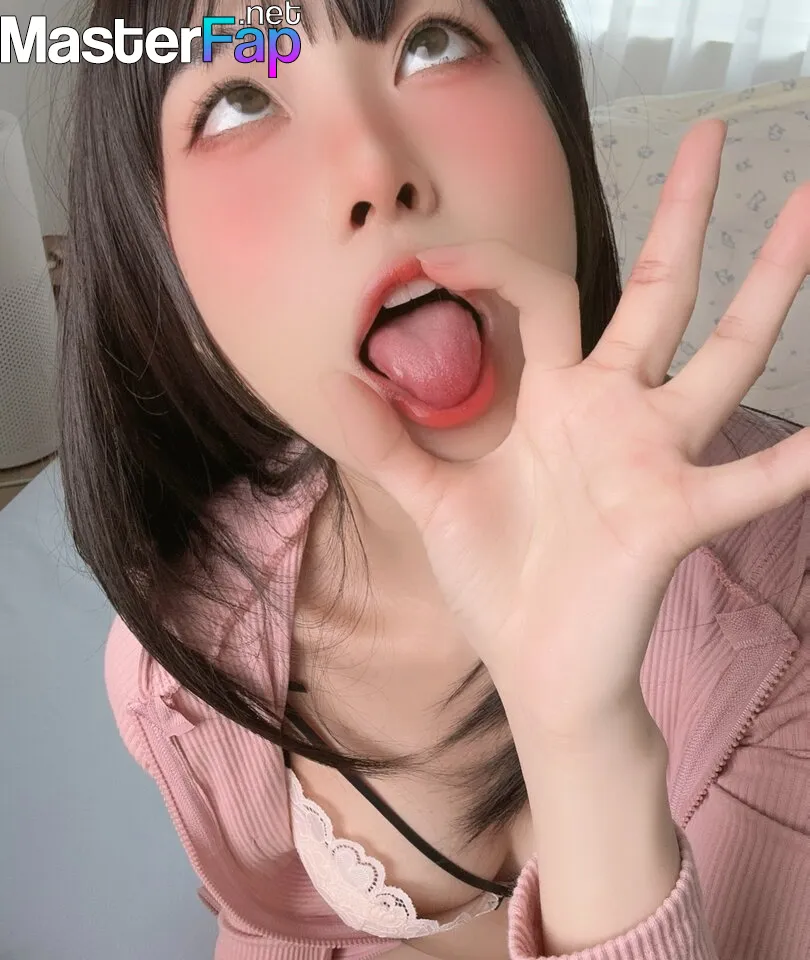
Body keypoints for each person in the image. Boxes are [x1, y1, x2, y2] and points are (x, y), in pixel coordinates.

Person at [57, 0, 810, 957]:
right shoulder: (186, 664)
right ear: (160, 258)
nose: (373, 170)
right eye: (240, 100)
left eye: (432, 42)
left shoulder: (786, 606)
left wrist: (581, 736)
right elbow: (268, 926)